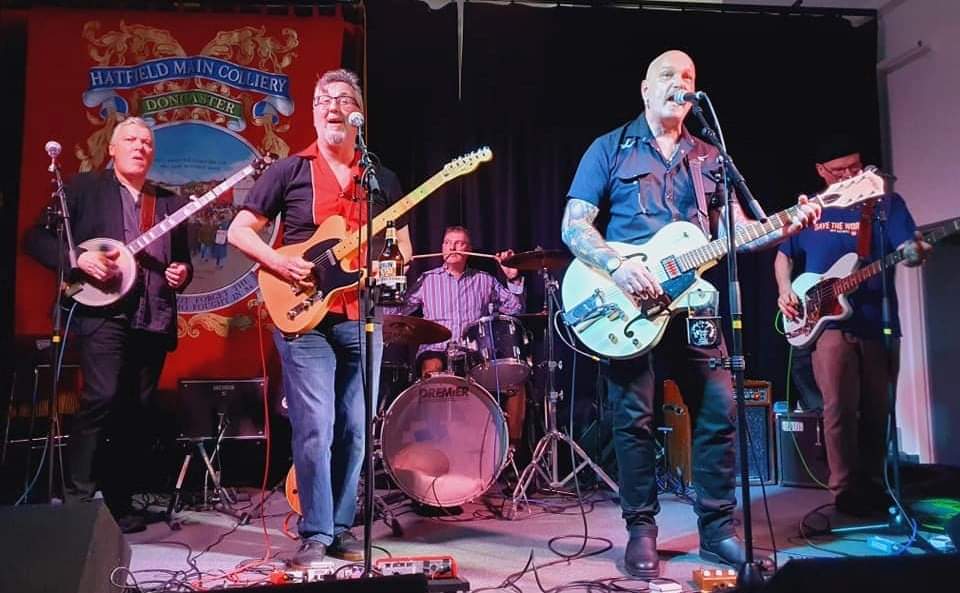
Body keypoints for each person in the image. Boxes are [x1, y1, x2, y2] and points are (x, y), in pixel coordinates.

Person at [560, 50, 820, 577]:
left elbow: (739, 233)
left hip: (696, 306)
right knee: (633, 420)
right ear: (645, 89)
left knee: (719, 413)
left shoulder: (709, 157)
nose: (679, 83)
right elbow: (574, 225)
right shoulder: (609, 148)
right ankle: (641, 530)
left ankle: (718, 531)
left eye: (688, 77)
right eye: (667, 75)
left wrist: (787, 225)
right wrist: (617, 266)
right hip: (630, 306)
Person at [228, 68, 412, 568]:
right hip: (302, 316)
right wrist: (277, 261)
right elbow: (239, 231)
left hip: (361, 315)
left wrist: (390, 267)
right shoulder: (289, 171)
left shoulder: (381, 179)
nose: (333, 105)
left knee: (355, 428)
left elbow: (403, 247)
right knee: (317, 426)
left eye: (344, 98)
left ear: (359, 114)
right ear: (313, 113)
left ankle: (341, 528)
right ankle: (315, 532)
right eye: (323, 99)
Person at [25, 116, 192, 533]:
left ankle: (118, 502)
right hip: (103, 314)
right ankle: (79, 499)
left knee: (135, 410)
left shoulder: (169, 202)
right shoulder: (83, 188)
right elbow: (36, 239)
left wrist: (181, 273)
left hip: (152, 315)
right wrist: (77, 258)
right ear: (112, 149)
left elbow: (183, 261)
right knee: (101, 398)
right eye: (130, 140)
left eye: (147, 142)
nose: (140, 147)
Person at [774, 134, 930, 516]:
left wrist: (913, 253)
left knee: (879, 408)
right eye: (838, 170)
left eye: (854, 167)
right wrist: (784, 290)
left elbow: (906, 247)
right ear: (821, 171)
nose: (848, 175)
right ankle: (844, 489)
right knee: (838, 408)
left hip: (878, 321)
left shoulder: (885, 204)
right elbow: (783, 255)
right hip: (826, 323)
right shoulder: (812, 210)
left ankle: (874, 482)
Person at [391, 225, 527, 451]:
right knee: (433, 368)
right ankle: (437, 446)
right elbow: (394, 314)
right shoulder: (427, 280)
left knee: (515, 382)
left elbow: (515, 309)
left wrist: (513, 278)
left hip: (474, 355)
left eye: (459, 243)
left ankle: (510, 452)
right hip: (436, 349)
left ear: (469, 249)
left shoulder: (484, 279)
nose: (452, 247)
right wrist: (397, 277)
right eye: (447, 243)